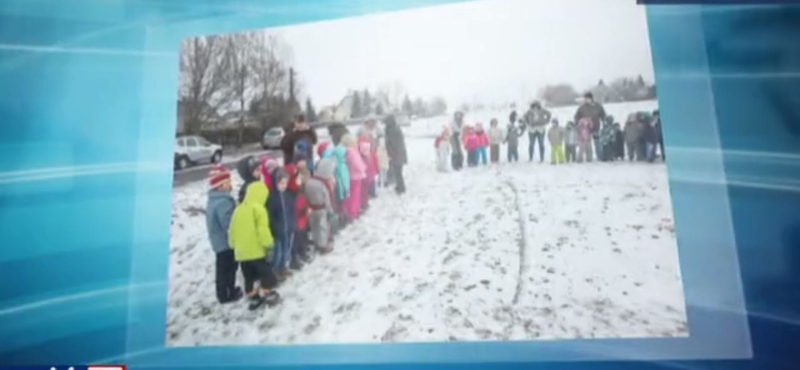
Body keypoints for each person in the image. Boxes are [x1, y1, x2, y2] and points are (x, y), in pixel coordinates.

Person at [229, 175, 280, 310]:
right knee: (266, 274)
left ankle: (253, 297)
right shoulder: (259, 209)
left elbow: (232, 230)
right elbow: (263, 230)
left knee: (249, 277)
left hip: (241, 253)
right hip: (256, 252)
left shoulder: (238, 210)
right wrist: (269, 244)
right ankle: (268, 294)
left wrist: (233, 245)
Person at [205, 164, 242, 304]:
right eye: (227, 182)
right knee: (229, 268)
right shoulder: (223, 202)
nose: (230, 184)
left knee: (221, 269)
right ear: (220, 185)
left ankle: (222, 293)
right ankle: (229, 293)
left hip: (218, 241)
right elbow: (228, 224)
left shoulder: (214, 199)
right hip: (226, 242)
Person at [267, 168, 295, 282]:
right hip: (278, 231)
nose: (284, 186)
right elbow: (271, 216)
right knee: (278, 252)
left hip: (287, 228)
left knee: (286, 250)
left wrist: (292, 224)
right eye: (281, 183)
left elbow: (291, 211)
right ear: (276, 183)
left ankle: (283, 268)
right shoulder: (273, 198)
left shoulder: (287, 196)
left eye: (286, 183)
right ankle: (275, 270)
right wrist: (275, 228)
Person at [306, 157, 337, 254]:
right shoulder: (323, 184)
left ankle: (316, 243)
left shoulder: (309, 181)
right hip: (321, 208)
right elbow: (326, 198)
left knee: (314, 226)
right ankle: (323, 245)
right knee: (322, 227)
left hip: (310, 208)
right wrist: (330, 210)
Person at [289, 165, 311, 268]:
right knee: (297, 239)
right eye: (297, 177)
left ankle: (303, 252)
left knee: (303, 235)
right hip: (296, 220)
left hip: (303, 218)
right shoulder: (291, 192)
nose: (299, 179)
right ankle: (297, 257)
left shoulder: (299, 188)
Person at [573, 92, 606, 160]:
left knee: (597, 143)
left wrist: (604, 121)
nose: (585, 100)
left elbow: (603, 114)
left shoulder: (597, 106)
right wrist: (577, 124)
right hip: (585, 129)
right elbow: (577, 116)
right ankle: (588, 157)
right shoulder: (582, 107)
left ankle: (599, 156)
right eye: (585, 99)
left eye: (587, 99)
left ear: (591, 98)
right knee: (586, 144)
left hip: (595, 127)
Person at [341, 133, 367, 220]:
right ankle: (353, 212)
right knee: (355, 195)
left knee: (352, 195)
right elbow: (357, 164)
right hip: (355, 176)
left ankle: (354, 210)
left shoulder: (346, 151)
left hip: (350, 176)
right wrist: (363, 168)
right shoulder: (352, 152)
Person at [385, 115, 408, 194]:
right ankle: (399, 186)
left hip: (397, 155)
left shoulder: (392, 130)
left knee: (398, 172)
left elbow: (393, 144)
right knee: (398, 172)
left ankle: (401, 188)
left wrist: (391, 154)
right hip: (399, 154)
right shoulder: (395, 128)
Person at [358, 136, 377, 210]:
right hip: (370, 175)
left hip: (365, 176)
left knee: (364, 189)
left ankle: (366, 199)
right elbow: (375, 163)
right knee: (371, 185)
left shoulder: (360, 156)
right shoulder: (371, 154)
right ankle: (372, 194)